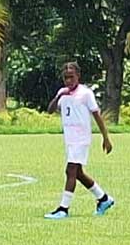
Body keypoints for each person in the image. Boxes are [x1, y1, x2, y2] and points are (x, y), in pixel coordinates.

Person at [44, 62, 114, 219]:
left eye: (71, 77)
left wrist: (105, 138)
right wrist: (59, 96)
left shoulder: (85, 94)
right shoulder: (63, 93)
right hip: (70, 139)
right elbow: (50, 110)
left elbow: (97, 116)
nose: (68, 81)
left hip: (81, 139)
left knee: (70, 171)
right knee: (78, 173)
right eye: (65, 77)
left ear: (78, 76)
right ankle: (104, 198)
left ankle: (63, 208)